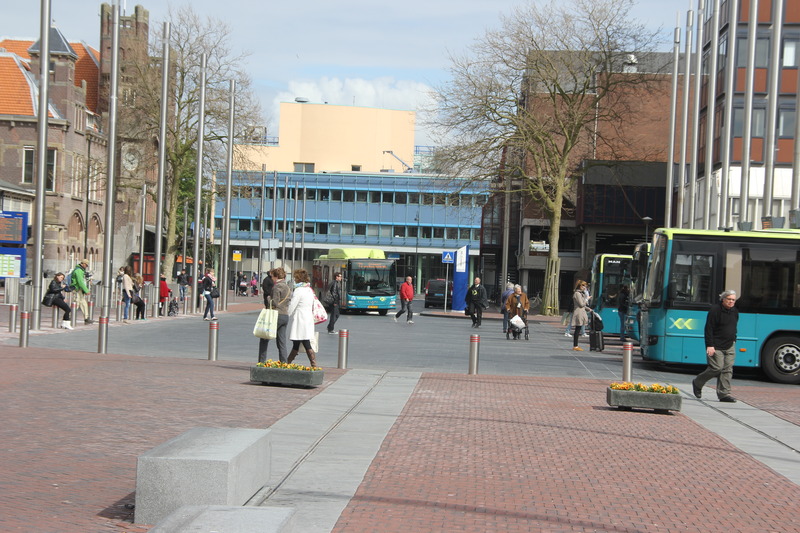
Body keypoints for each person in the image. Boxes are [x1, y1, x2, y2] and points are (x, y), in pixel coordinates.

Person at [692, 290, 739, 403]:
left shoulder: (735, 311)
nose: (731, 302)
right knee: (716, 367)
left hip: (729, 345)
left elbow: (734, 326)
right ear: (723, 299)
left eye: (733, 300)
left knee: (727, 370)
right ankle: (697, 382)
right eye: (729, 299)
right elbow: (709, 328)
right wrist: (710, 345)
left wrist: (734, 339)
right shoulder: (715, 310)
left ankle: (724, 394)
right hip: (716, 345)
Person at [258, 268, 292, 363]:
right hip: (285, 315)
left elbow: (274, 303)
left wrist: (268, 298)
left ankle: (261, 361)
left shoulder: (277, 287)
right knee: (281, 341)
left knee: (264, 337)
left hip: (276, 315)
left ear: (276, 277)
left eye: (272, 276)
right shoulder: (288, 287)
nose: (272, 278)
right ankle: (284, 363)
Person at [286, 268, 318, 367]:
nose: (294, 279)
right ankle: (288, 362)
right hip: (308, 318)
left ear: (298, 278)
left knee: (304, 341)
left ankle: (312, 363)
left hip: (300, 318)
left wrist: (287, 314)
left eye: (295, 277)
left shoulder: (299, 290)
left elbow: (293, 305)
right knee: (299, 341)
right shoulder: (309, 290)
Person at [71, 258, 94, 325]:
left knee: (83, 303)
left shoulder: (81, 270)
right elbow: (80, 281)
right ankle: (69, 317)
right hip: (77, 289)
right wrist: (86, 290)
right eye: (86, 265)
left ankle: (86, 318)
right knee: (77, 303)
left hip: (79, 289)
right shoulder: (78, 271)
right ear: (83, 264)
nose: (86, 267)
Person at [571, 280, 590, 351]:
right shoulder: (577, 293)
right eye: (584, 286)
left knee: (578, 328)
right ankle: (575, 346)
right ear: (580, 286)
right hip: (579, 313)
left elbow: (582, 305)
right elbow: (581, 304)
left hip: (581, 312)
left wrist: (588, 309)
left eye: (585, 286)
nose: (585, 287)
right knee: (577, 329)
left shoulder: (581, 293)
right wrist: (587, 299)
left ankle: (576, 345)